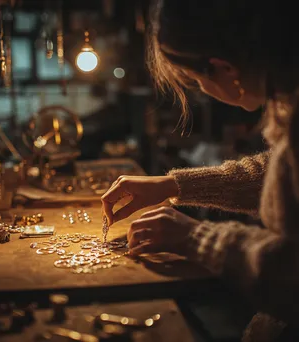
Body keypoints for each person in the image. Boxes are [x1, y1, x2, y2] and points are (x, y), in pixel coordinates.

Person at [101, 1, 299, 341]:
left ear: (223, 67)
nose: (201, 90)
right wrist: (172, 185)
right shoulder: (288, 98)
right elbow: (279, 175)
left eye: (194, 80)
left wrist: (195, 237)